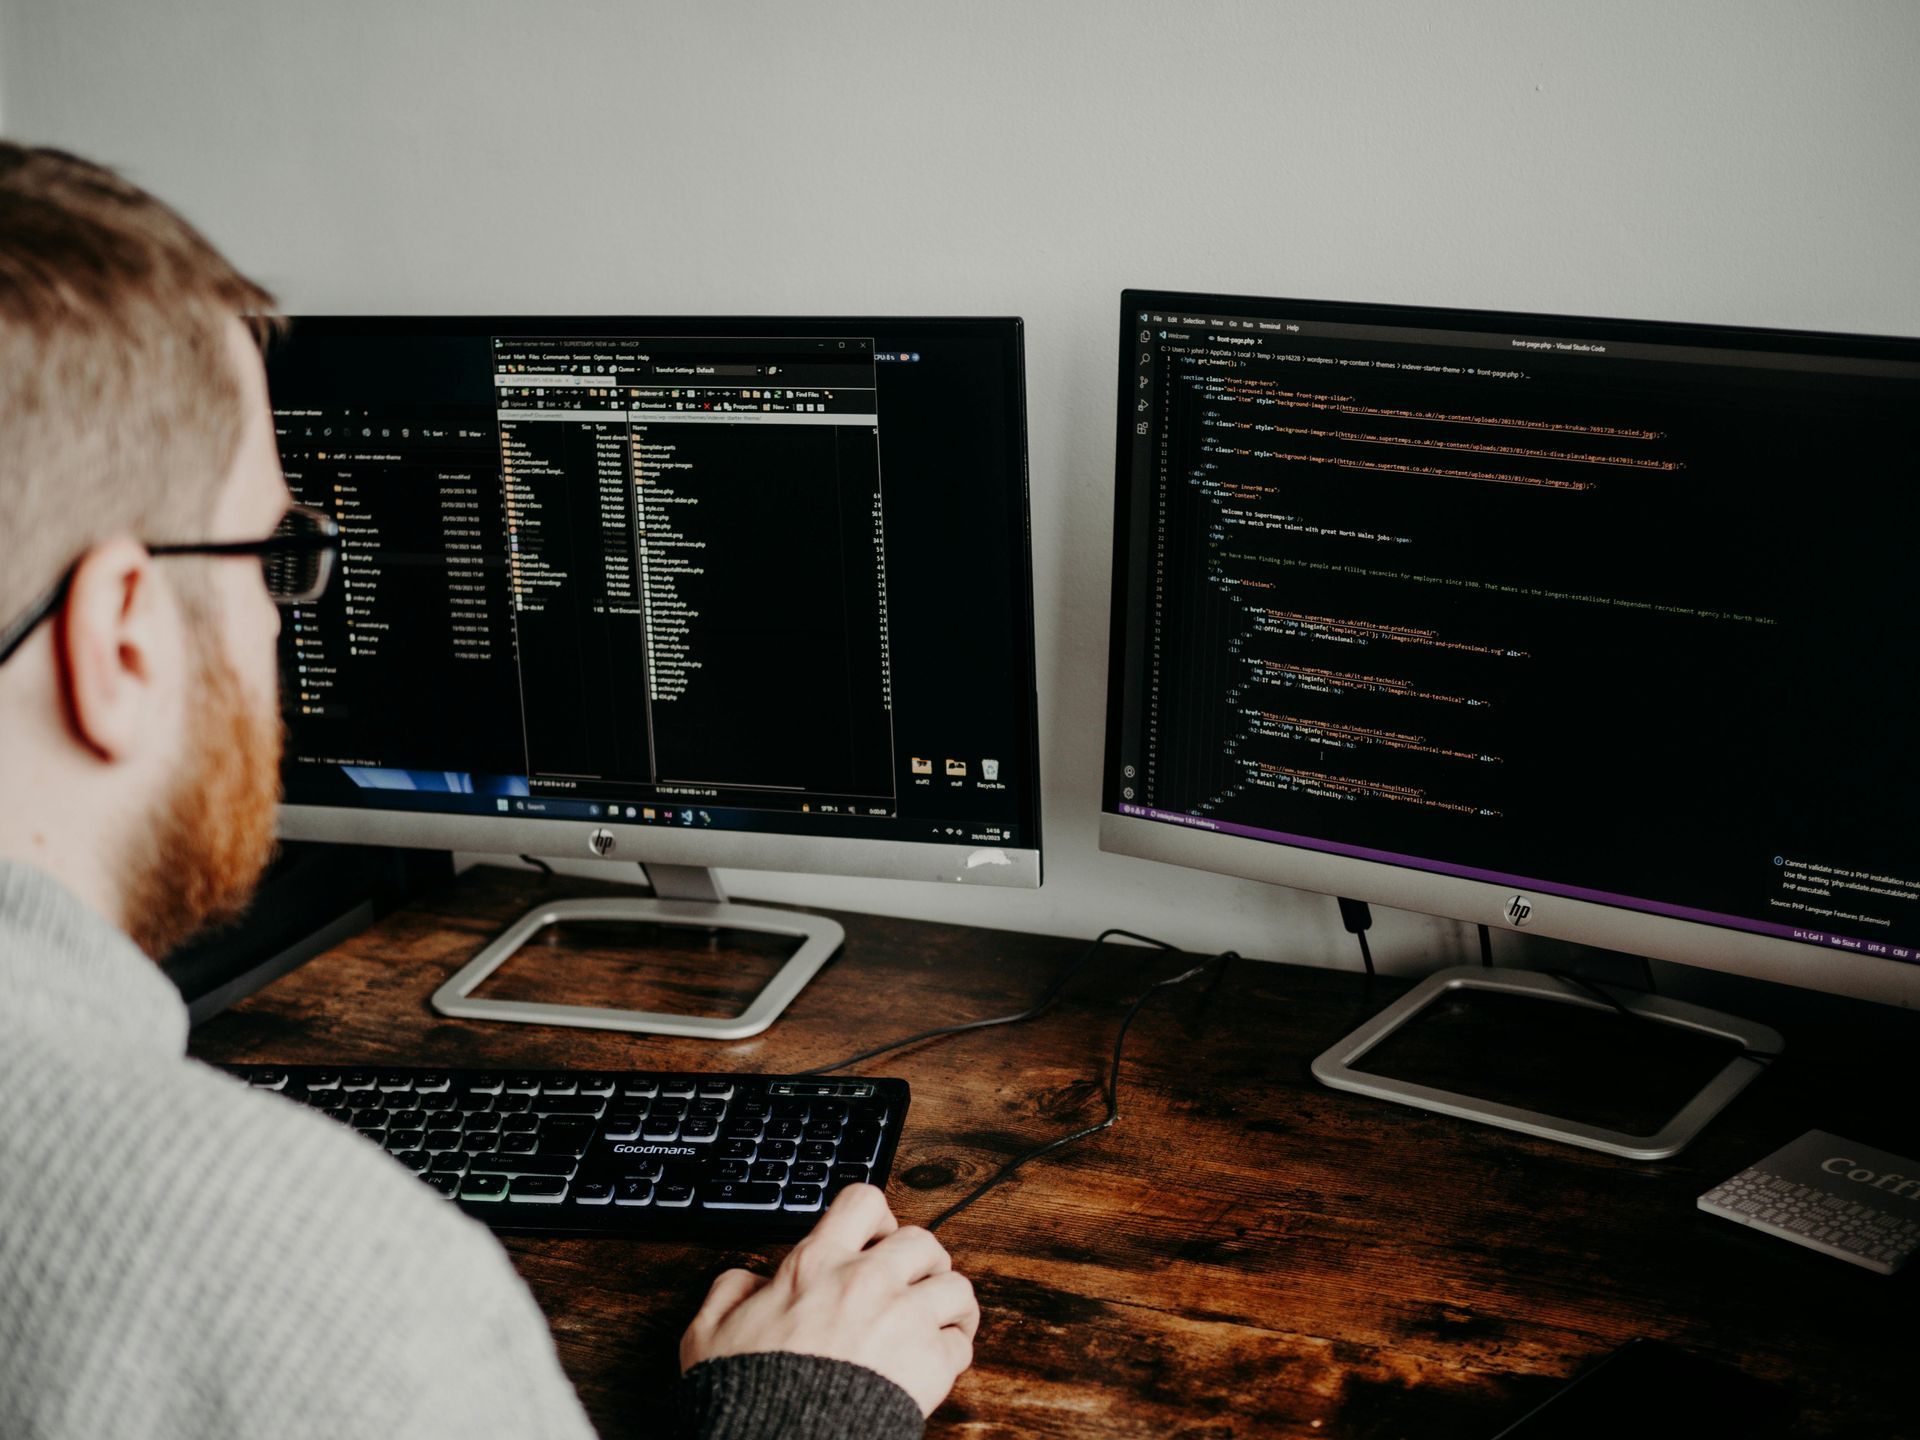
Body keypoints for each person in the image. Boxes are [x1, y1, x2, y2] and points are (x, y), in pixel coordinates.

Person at [0, 142, 977, 1440]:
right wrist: (802, 1401)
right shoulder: (320, 1282)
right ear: (123, 631)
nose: (286, 619)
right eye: (278, 551)